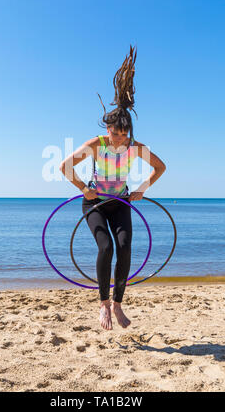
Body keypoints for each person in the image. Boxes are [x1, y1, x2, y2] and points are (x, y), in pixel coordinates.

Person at [59, 45, 166, 330]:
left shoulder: (135, 147)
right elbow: (64, 166)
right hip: (94, 202)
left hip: (120, 202)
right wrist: (84, 187)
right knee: (105, 247)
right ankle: (103, 305)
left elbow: (161, 167)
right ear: (107, 130)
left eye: (123, 134)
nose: (118, 138)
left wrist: (142, 188)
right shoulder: (98, 144)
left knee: (125, 247)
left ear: (129, 132)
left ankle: (118, 304)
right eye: (114, 133)